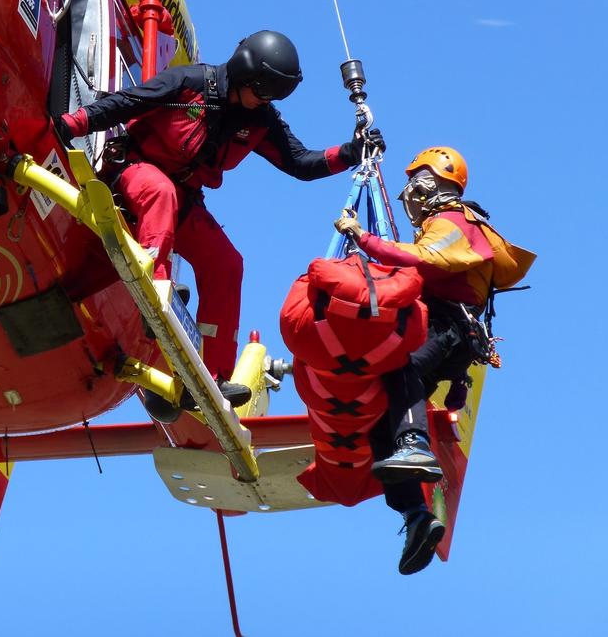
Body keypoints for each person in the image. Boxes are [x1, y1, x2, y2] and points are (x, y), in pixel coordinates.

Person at [58, 31, 381, 415]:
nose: (266, 102)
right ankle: (156, 294)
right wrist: (72, 124)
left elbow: (301, 163)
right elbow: (126, 104)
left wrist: (350, 151)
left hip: (184, 201)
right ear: (245, 76)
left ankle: (213, 374)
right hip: (134, 176)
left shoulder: (260, 120)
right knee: (160, 193)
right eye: (263, 93)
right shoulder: (189, 83)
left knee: (228, 265)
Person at [335, 145, 534, 574]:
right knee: (383, 420)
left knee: (399, 368)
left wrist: (363, 238)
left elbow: (422, 258)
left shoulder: (454, 221)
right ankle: (415, 517)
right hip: (449, 333)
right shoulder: (449, 224)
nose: (411, 192)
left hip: (447, 325)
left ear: (438, 184)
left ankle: (414, 444)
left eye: (417, 182)